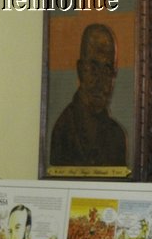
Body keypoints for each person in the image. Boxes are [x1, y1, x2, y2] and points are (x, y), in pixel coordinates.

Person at [49, 23, 129, 169]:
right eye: (93, 68)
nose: (100, 80)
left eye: (107, 70)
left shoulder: (117, 136)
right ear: (80, 69)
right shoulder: (64, 130)